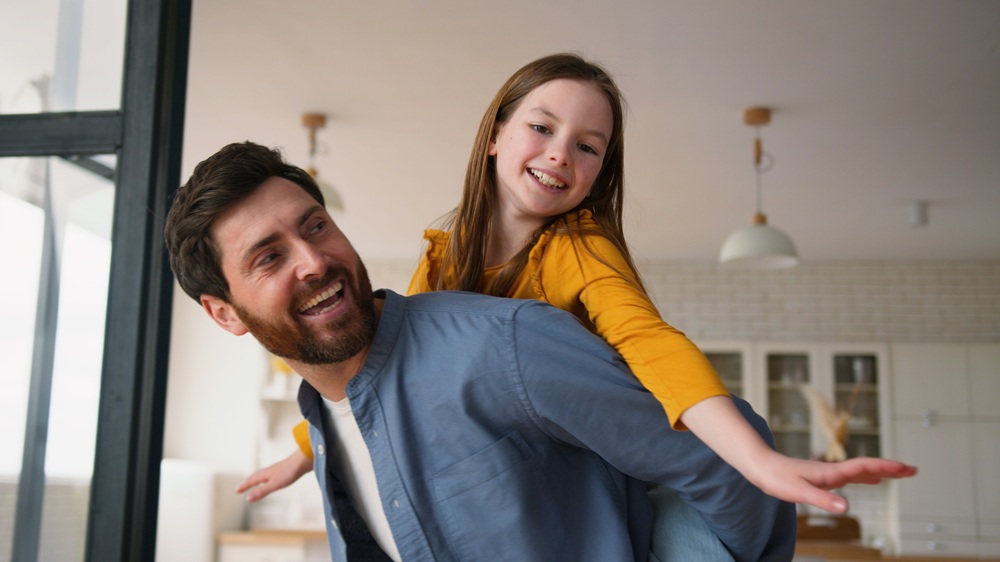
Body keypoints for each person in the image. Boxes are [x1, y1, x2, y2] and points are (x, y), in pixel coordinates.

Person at [239, 52, 917, 515]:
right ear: (497, 137)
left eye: (588, 145)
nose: (562, 152)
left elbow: (651, 341)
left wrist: (760, 462)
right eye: (542, 127)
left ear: (598, 171)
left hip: (630, 475)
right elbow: (390, 364)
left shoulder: (582, 251)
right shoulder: (444, 256)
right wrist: (305, 451)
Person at [166, 141, 804, 561]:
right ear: (225, 313)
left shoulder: (507, 342)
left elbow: (725, 463)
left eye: (315, 226)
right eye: (269, 257)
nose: (313, 261)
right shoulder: (321, 424)